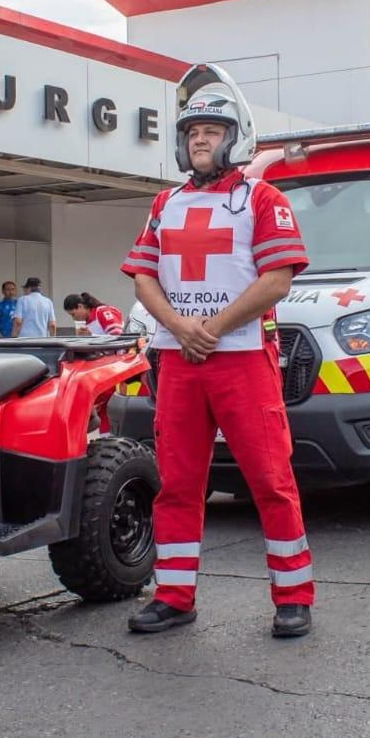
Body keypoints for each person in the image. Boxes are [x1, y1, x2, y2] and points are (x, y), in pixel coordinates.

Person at [121, 62, 314, 638]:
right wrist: (183, 328)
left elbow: (278, 278)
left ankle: (293, 596)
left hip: (243, 360)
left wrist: (210, 327)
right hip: (179, 362)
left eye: (210, 132)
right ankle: (174, 595)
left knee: (270, 479)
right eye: (190, 133)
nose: (199, 141)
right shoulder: (164, 204)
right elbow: (142, 279)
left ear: (235, 139)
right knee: (178, 483)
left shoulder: (263, 197)